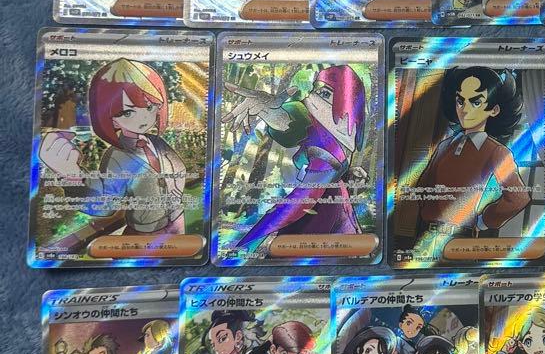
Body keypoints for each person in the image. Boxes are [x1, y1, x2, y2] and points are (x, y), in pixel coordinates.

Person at [37, 59, 187, 240]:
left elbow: (178, 169)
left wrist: (174, 189)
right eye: (127, 112)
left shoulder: (157, 142)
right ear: (111, 118)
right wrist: (72, 176)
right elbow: (104, 203)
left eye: (149, 107)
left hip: (178, 221)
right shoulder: (117, 155)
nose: (143, 118)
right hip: (145, 233)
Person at [221, 64, 368, 248]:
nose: (311, 98)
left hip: (323, 232)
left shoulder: (331, 145)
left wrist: (247, 245)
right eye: (315, 91)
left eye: (324, 93)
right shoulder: (322, 130)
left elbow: (296, 204)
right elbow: (291, 121)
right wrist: (270, 112)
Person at [414, 66, 529, 236]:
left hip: (458, 237)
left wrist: (482, 222)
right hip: (425, 233)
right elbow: (423, 186)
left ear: (494, 110)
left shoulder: (496, 151)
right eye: (460, 101)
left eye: (476, 102)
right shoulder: (445, 145)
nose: (465, 109)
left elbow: (518, 198)